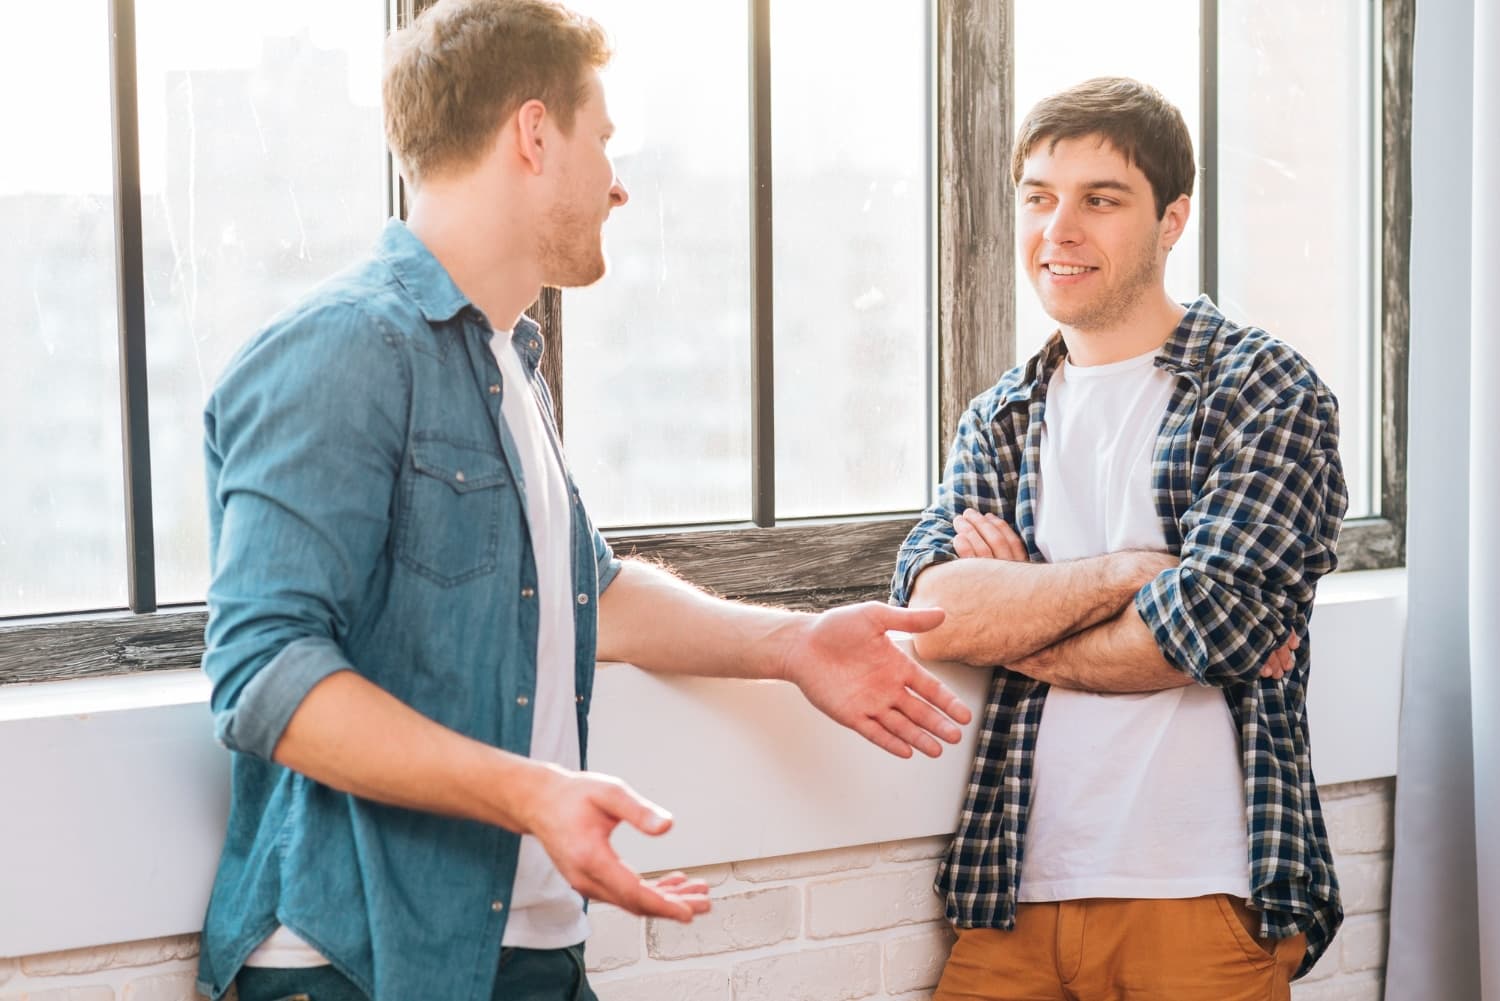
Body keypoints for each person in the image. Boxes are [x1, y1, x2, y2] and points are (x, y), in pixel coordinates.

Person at [195, 2, 972, 999]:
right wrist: (534, 793)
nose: (618, 181)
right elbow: (262, 672)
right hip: (355, 966)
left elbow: (581, 593)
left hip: (521, 950)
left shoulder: (508, 360)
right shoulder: (347, 347)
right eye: (602, 139)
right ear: (532, 132)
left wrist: (790, 644)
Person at [891, 77, 1347, 1000]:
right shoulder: (1000, 416)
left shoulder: (1264, 389)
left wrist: (1020, 623)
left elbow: (1209, 625)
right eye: (1040, 197)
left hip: (1203, 891)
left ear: (1172, 219)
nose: (1060, 229)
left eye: (1101, 200)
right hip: (1012, 891)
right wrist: (1140, 573)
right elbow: (935, 616)